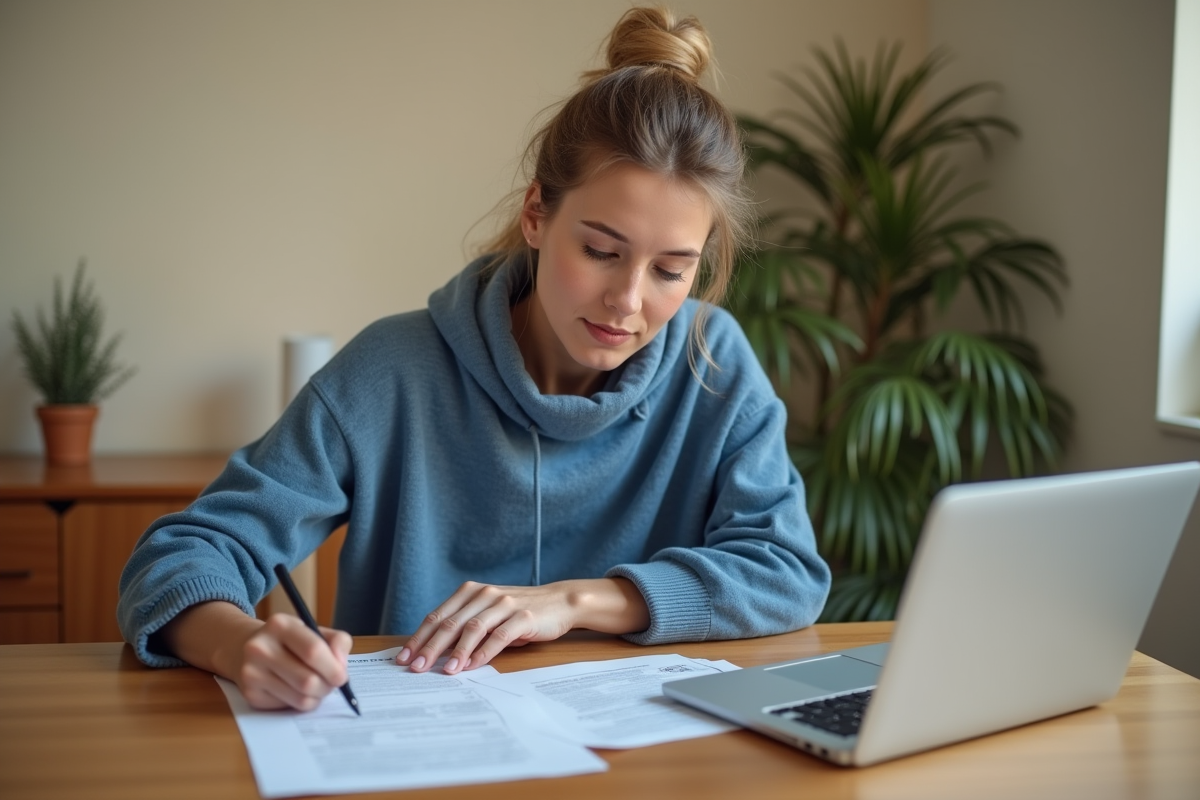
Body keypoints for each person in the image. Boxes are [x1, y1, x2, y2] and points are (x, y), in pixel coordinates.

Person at [117, 6, 831, 712]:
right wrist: (241, 645)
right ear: (535, 216)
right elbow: (180, 556)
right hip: (417, 749)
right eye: (601, 252)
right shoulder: (391, 372)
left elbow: (786, 572)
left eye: (671, 271)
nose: (628, 300)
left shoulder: (714, 362)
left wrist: (575, 602)